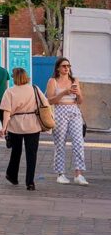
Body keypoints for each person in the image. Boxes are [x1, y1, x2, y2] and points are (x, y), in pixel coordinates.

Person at [1, 67, 47, 191]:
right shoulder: (34, 89)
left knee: (16, 152)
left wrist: (4, 127)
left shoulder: (9, 92)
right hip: (33, 125)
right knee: (32, 155)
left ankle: (12, 176)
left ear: (14, 77)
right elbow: (45, 104)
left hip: (15, 126)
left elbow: (6, 112)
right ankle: (30, 182)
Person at [46, 57, 87, 185]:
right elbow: (50, 101)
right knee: (60, 143)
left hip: (74, 111)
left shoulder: (74, 80)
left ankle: (79, 174)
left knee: (79, 142)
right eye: (64, 66)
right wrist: (65, 92)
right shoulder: (53, 81)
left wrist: (78, 94)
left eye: (68, 66)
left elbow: (80, 101)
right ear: (58, 68)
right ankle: (60, 174)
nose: (66, 68)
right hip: (59, 112)